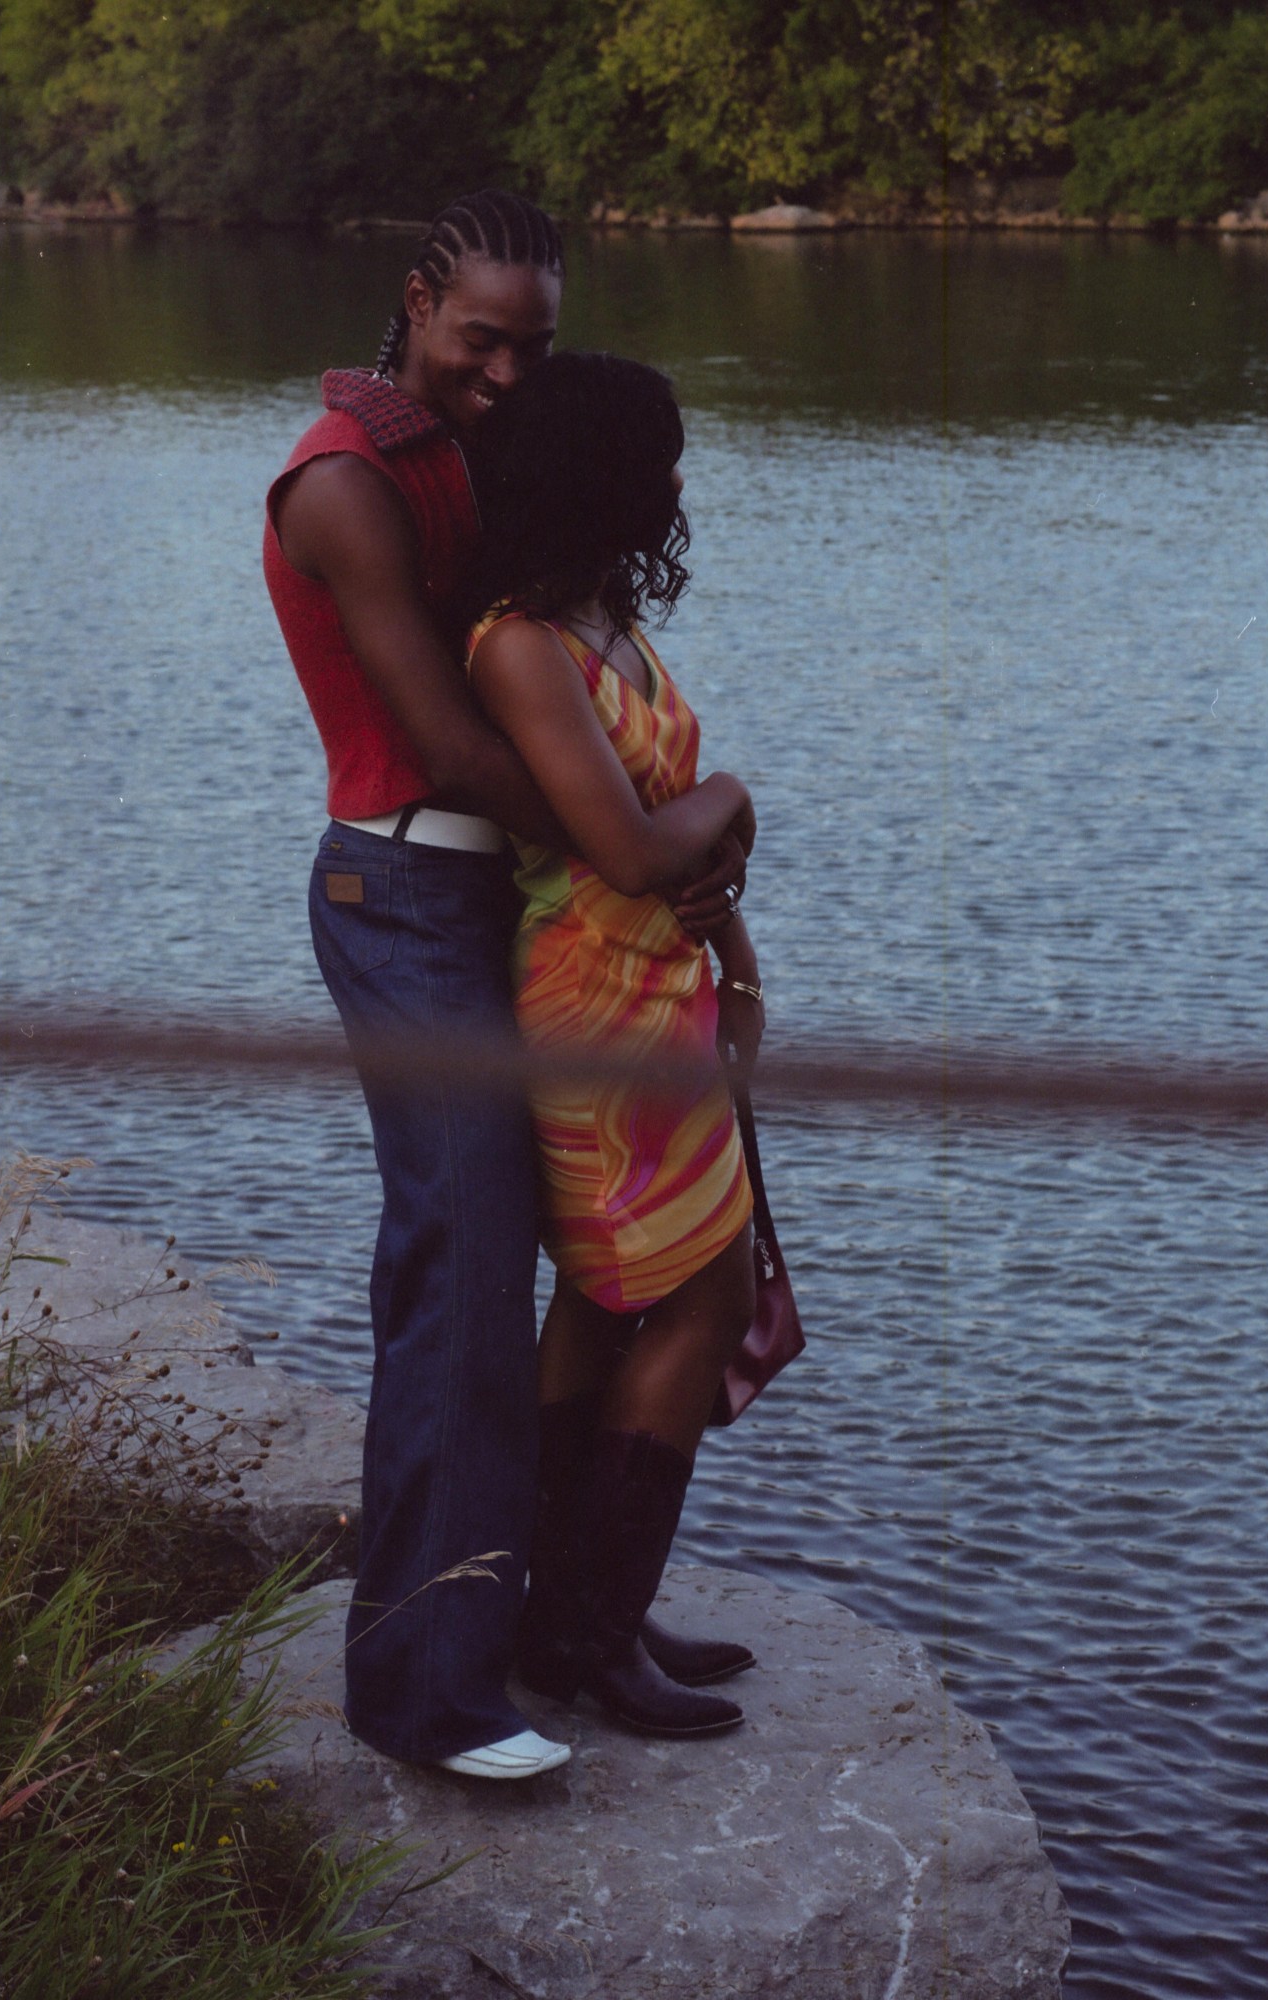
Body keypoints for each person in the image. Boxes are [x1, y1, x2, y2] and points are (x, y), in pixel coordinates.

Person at [263, 195, 747, 1778]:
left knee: (583, 1275)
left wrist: (650, 861)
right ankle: (425, 1696)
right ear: (416, 300)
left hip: (508, 901)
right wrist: (651, 845)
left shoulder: (454, 453)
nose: (508, 375)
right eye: (483, 340)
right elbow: (466, 743)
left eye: (534, 349)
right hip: (404, 887)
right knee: (460, 1293)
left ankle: (554, 1620)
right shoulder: (341, 482)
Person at [462, 351, 764, 1737]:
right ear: (598, 473)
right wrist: (730, 800)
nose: (676, 481)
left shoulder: (609, 619)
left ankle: (574, 1609)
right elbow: (633, 846)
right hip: (594, 1007)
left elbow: (673, 857)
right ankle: (588, 1631)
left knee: (602, 1297)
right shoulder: (523, 645)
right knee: (698, 1298)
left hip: (663, 992)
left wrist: (716, 891)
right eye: (659, 458)